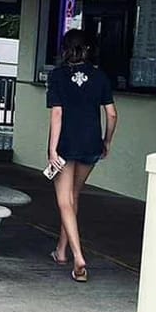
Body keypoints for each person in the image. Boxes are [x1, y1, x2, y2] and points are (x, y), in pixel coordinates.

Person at [46, 29, 118, 283]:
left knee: (64, 201)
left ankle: (78, 256)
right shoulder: (100, 77)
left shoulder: (57, 76)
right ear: (88, 49)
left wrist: (53, 149)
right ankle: (61, 251)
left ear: (66, 49)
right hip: (90, 144)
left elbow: (57, 114)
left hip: (65, 143)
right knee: (74, 196)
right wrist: (106, 141)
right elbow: (111, 114)